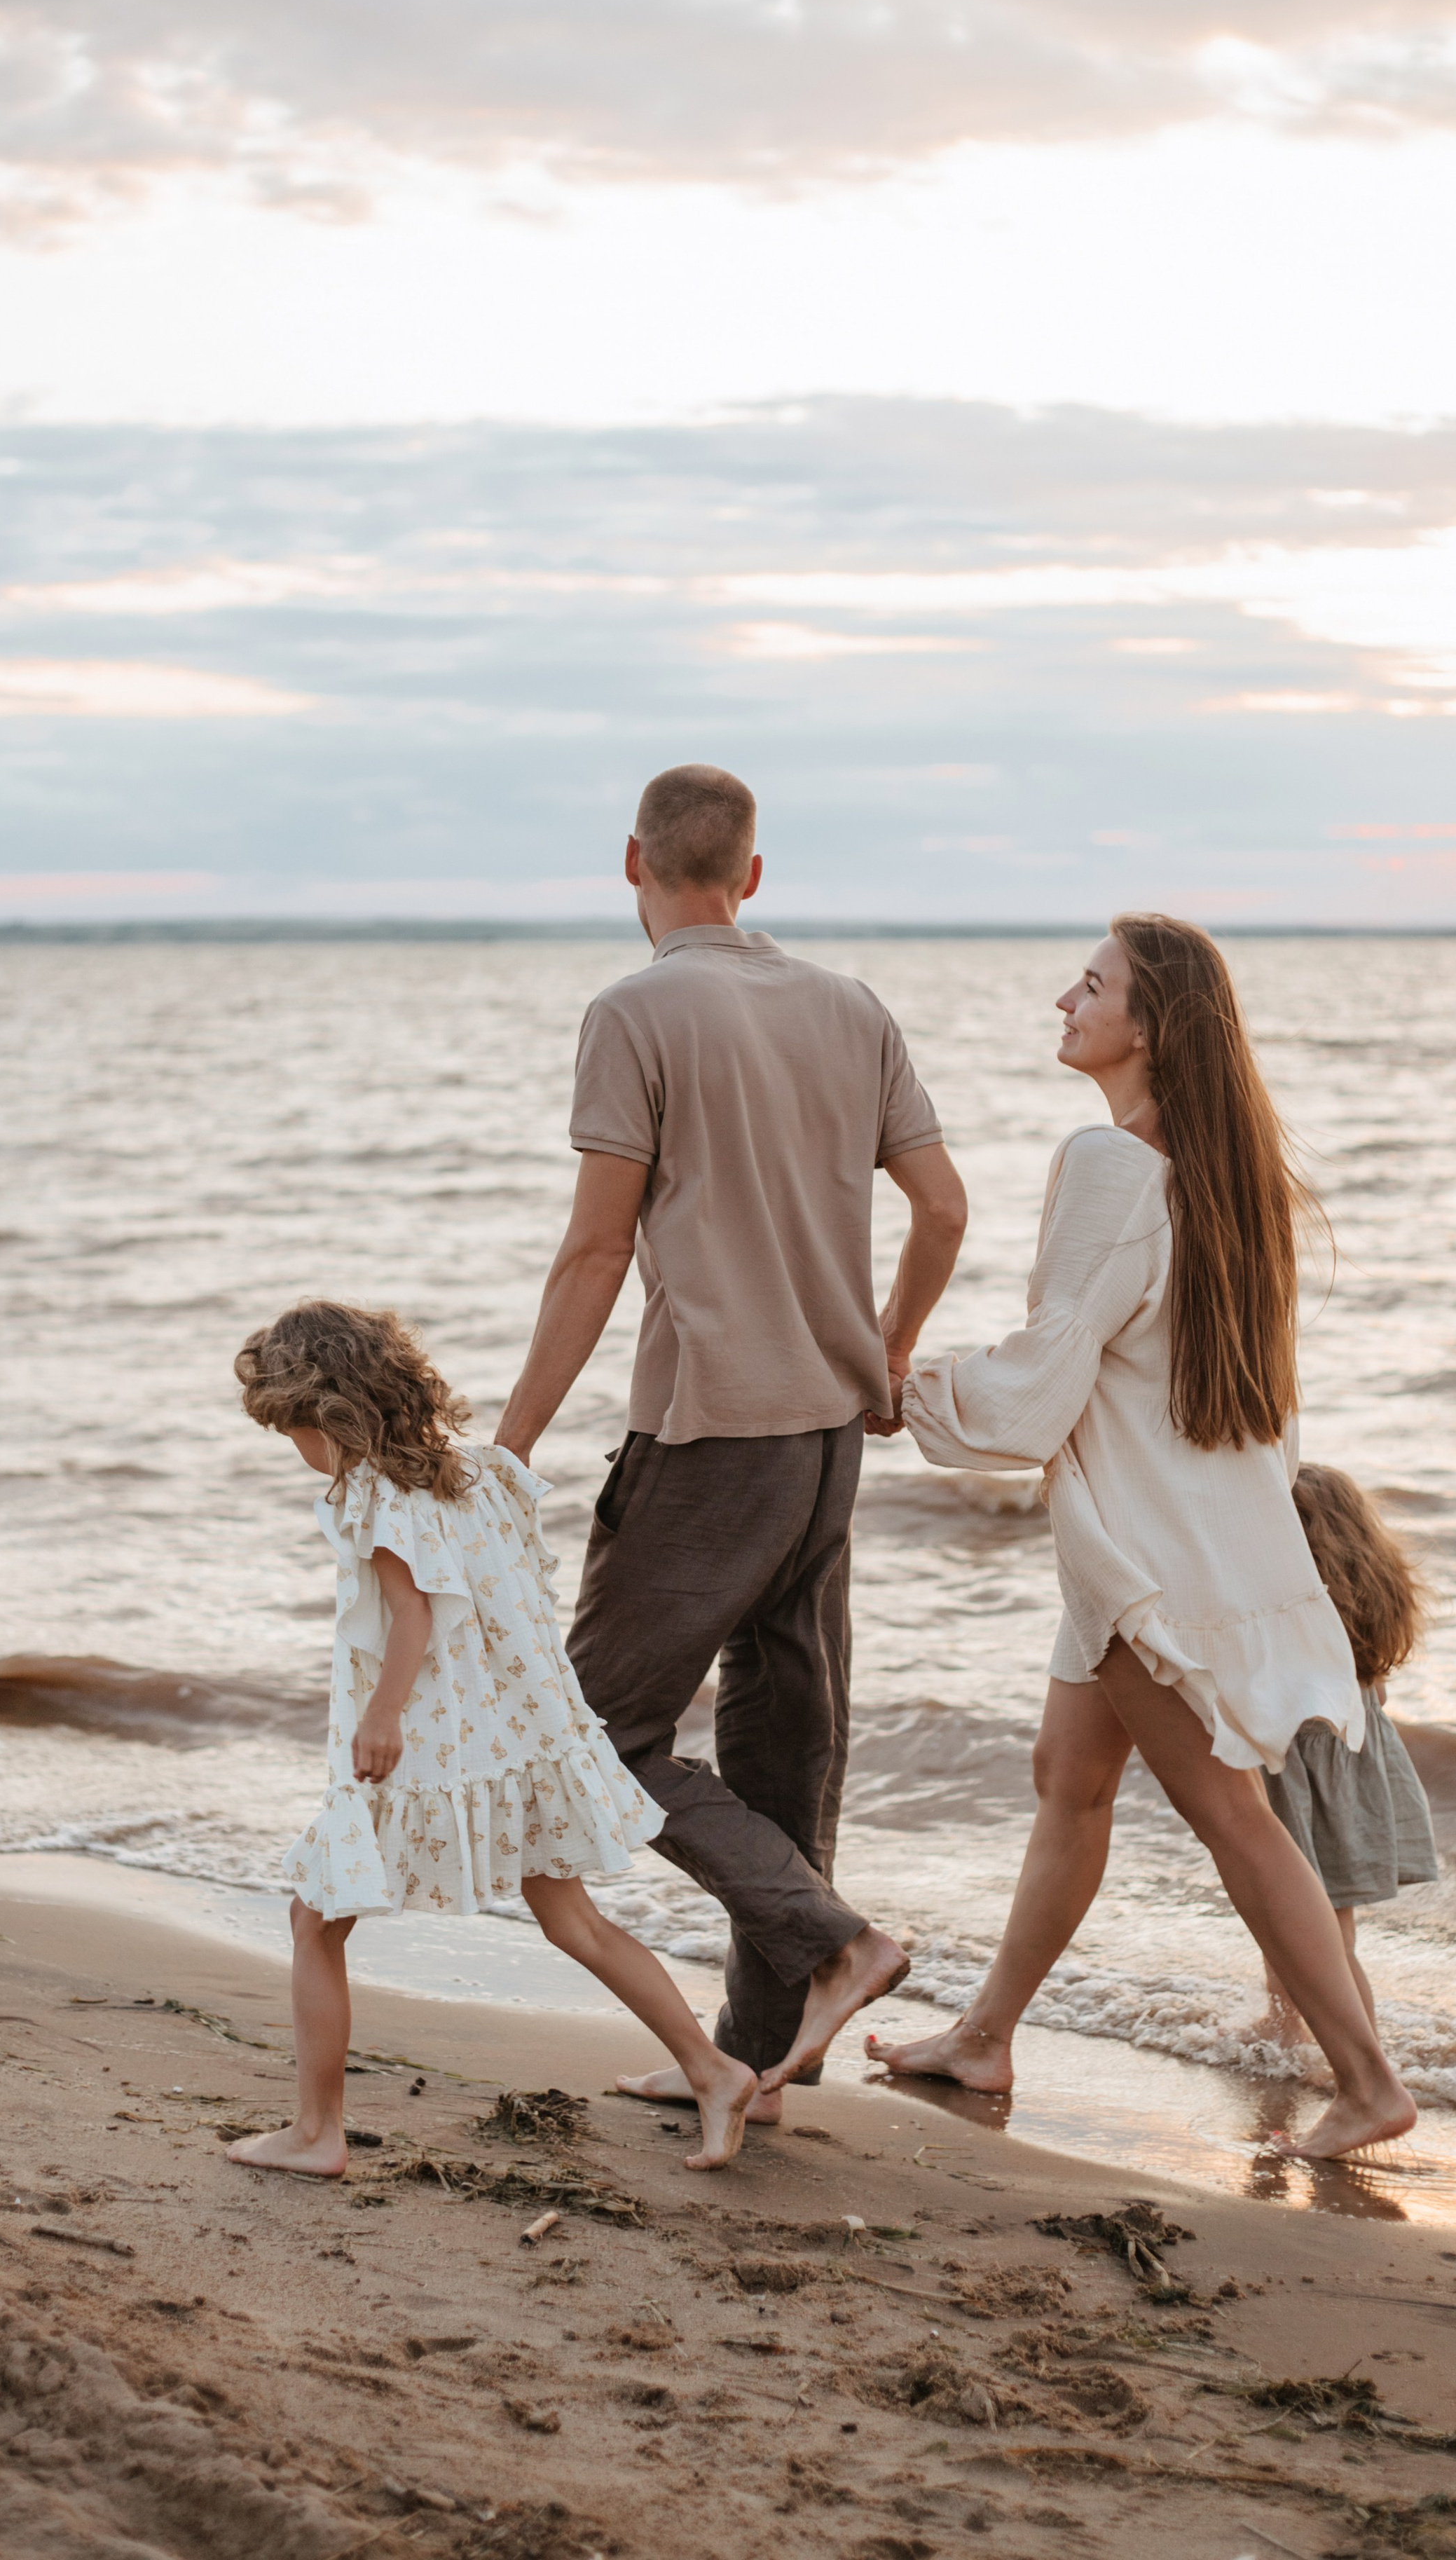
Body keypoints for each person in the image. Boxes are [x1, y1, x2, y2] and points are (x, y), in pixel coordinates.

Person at [865, 915, 1417, 2161]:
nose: (1066, 998)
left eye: (1094, 984)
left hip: (1144, 1557)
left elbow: (1046, 1375)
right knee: (1071, 1781)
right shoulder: (1224, 1178)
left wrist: (901, 1385)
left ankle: (1371, 2081)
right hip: (1184, 1534)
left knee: (1232, 1819)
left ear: (1150, 1027)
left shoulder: (1113, 1167)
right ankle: (987, 2033)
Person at [494, 764, 968, 2123]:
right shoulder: (849, 1006)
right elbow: (941, 1208)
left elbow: (594, 1251)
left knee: (590, 1737)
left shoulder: (633, 1012)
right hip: (827, 1441)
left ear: (629, 863)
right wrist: (884, 1349)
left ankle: (833, 1943)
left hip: (707, 1443)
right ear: (751, 875)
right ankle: (759, 2064)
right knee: (785, 1749)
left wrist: (512, 1442)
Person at [224, 1300, 760, 2177]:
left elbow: (413, 1617)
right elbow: (505, 1603)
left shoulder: (372, 1493)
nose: (294, 1452)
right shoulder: (479, 1471)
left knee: (312, 1919)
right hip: (513, 1737)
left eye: (289, 1429)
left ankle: (317, 2135)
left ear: (326, 1412)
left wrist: (382, 1717)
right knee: (574, 1920)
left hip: (427, 1743)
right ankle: (712, 2069)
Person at [1249, 1463, 1438, 2046]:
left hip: (1308, 1788)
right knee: (1298, 1928)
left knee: (1322, 1937)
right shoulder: (1357, 1615)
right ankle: (1285, 2031)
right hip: (1350, 1777)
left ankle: (1363, 2058)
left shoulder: (1294, 1617)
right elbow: (1374, 1693)